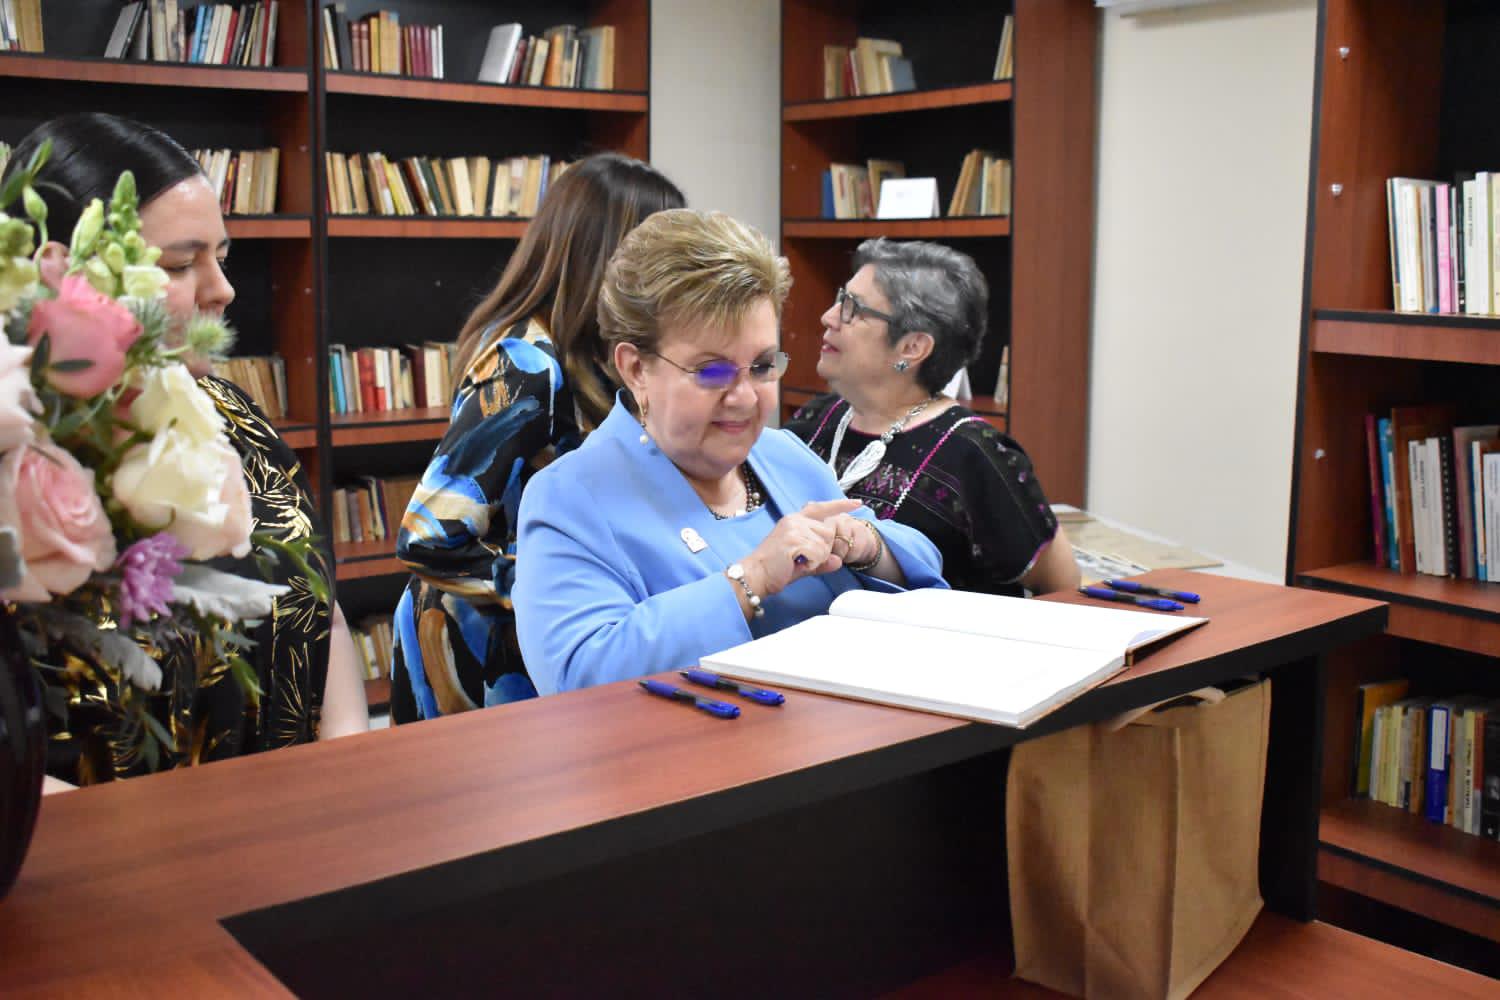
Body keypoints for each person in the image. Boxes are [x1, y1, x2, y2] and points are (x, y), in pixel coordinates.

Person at [6, 113, 367, 791]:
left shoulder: (232, 415)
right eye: (179, 263)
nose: (222, 289)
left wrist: (347, 763)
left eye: (221, 256)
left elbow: (319, 605)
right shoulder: (17, 453)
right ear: (71, 279)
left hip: (300, 817)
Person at [512, 209, 946, 694]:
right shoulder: (569, 497)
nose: (743, 397)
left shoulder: (783, 455)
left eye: (761, 366)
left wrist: (865, 545)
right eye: (712, 371)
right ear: (636, 369)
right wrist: (751, 579)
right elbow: (578, 676)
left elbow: (923, 569)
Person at [391, 153, 685, 720]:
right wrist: (559, 586)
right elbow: (429, 537)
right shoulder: (525, 365)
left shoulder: (594, 355)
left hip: (537, 634)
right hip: (485, 650)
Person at [786, 238, 1079, 598]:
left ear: (912, 347)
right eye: (840, 298)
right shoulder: (815, 419)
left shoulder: (974, 455)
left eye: (853, 308)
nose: (828, 317)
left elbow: (1061, 584)